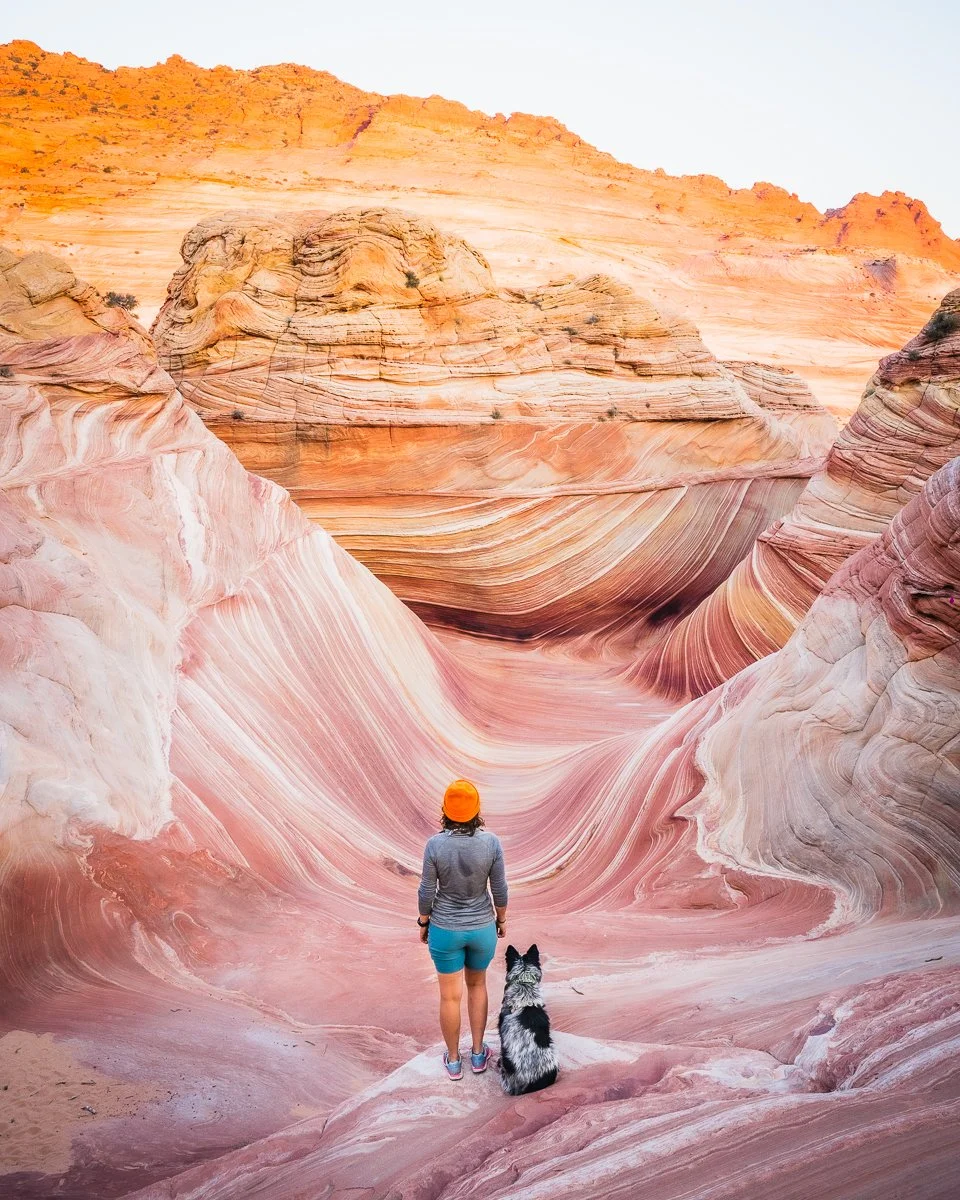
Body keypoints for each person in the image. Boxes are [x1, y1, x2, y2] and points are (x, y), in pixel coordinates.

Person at [417, 779, 508, 1080]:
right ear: (476, 810)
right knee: (477, 986)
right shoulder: (491, 843)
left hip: (445, 928)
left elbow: (426, 891)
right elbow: (499, 888)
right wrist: (501, 920)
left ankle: (454, 1061)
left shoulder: (435, 845)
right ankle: (479, 1055)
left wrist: (424, 922)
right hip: (482, 927)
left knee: (449, 997)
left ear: (445, 810)